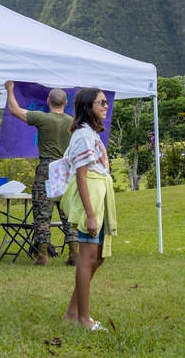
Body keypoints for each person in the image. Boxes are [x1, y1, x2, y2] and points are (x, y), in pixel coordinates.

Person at [61, 87, 117, 331]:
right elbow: (82, 177)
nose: (105, 106)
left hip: (100, 196)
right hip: (91, 199)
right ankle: (83, 319)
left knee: (100, 256)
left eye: (106, 102)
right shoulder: (83, 134)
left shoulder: (90, 133)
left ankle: (73, 312)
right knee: (87, 257)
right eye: (101, 102)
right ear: (87, 107)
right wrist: (91, 215)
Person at [5, 80, 78, 266]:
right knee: (69, 213)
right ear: (66, 102)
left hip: (47, 169)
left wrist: (10, 89)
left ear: (48, 101)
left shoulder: (43, 118)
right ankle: (74, 254)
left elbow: (14, 110)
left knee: (42, 214)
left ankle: (42, 256)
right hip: (65, 170)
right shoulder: (73, 123)